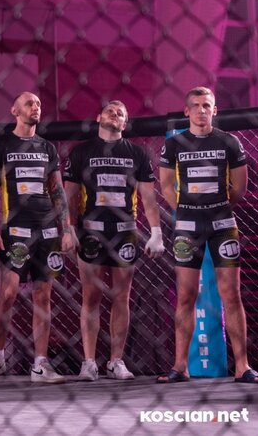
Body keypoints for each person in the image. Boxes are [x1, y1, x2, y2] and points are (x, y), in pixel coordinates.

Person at [156, 86, 258, 384]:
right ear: (186, 111)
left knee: (232, 294)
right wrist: (187, 211)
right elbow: (166, 186)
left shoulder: (229, 141)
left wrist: (217, 209)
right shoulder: (174, 144)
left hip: (222, 225)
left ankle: (242, 367)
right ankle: (180, 366)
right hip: (187, 227)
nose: (201, 110)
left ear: (214, 110)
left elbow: (239, 187)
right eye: (196, 105)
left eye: (207, 105)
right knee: (186, 296)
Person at [0, 92, 76, 385]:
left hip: (46, 230)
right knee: (8, 294)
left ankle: (40, 365)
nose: (36, 107)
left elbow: (57, 190)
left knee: (43, 295)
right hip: (14, 229)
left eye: (38, 104)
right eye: (29, 103)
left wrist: (67, 228)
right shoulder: (2, 145)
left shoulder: (47, 148)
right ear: (15, 110)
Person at [63, 100, 164, 382]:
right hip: (91, 231)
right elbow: (69, 197)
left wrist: (156, 232)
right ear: (98, 117)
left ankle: (116, 360)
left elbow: (148, 197)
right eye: (110, 110)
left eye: (121, 113)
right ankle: (89, 362)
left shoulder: (137, 153)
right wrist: (68, 229)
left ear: (125, 122)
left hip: (125, 231)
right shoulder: (82, 152)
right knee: (91, 296)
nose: (115, 114)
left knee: (122, 297)